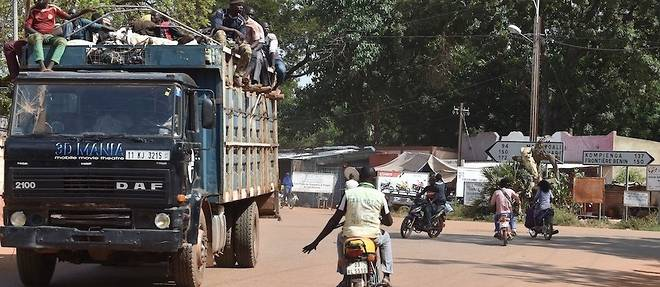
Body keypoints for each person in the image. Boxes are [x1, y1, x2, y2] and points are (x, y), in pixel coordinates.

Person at [303, 166, 393, 287]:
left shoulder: (348, 194)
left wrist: (316, 242)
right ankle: (386, 276)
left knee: (340, 237)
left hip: (349, 236)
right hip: (372, 236)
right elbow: (389, 222)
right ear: (373, 179)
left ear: (360, 178)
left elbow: (334, 221)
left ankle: (344, 273)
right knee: (386, 237)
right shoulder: (380, 196)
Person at [25, 0, 95, 72]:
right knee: (37, 36)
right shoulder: (33, 11)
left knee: (62, 41)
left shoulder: (53, 9)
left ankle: (50, 67)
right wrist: (40, 35)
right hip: (35, 37)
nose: (36, 1)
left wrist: (85, 11)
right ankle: (42, 66)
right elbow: (27, 27)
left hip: (48, 36)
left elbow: (69, 17)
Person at [210, 0, 251, 86]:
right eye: (239, 5)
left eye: (242, 6)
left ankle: (237, 75)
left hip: (233, 42)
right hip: (219, 40)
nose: (241, 7)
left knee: (247, 50)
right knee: (220, 33)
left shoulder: (241, 20)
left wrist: (238, 43)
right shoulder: (221, 13)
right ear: (232, 5)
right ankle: (223, 74)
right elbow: (217, 26)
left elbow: (242, 35)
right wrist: (234, 30)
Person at [243, 7, 270, 89]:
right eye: (248, 14)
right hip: (243, 46)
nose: (250, 16)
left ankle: (255, 80)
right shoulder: (241, 22)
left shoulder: (257, 26)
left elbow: (261, 43)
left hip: (256, 47)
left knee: (258, 57)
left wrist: (252, 49)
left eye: (252, 15)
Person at [262, 22, 286, 95]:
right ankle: (266, 85)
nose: (266, 29)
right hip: (264, 59)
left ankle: (277, 87)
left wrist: (272, 65)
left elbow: (272, 51)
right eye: (264, 28)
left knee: (282, 70)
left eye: (267, 28)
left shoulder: (271, 37)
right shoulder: (259, 36)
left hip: (275, 59)